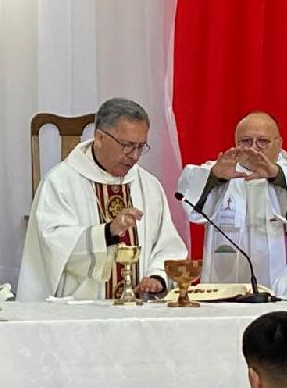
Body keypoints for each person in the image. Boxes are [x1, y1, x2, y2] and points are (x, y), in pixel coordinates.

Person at [17, 97, 186, 302]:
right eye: (128, 146)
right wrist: (108, 232)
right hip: (79, 310)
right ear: (99, 138)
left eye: (141, 147)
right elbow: (54, 248)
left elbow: (167, 244)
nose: (134, 156)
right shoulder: (60, 183)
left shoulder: (148, 185)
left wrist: (157, 276)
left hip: (138, 311)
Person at [177, 111, 287, 286]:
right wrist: (215, 177)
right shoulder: (222, 170)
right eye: (246, 141)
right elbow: (189, 186)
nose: (254, 148)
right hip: (227, 282)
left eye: (263, 141)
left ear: (279, 144)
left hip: (283, 282)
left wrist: (277, 176)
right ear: (236, 143)